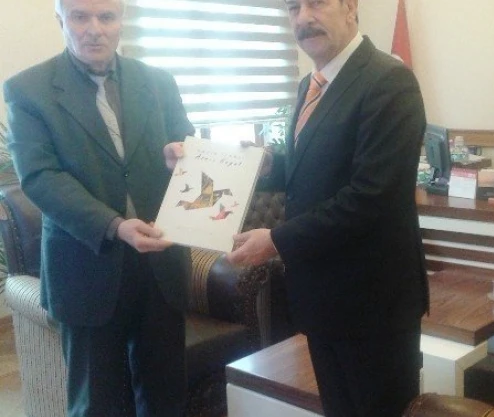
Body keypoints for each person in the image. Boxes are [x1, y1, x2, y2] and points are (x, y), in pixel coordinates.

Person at [225, 0, 429, 415]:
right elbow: (311, 167)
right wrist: (264, 165)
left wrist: (276, 240)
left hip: (374, 305)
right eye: (293, 7)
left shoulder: (389, 81)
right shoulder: (311, 84)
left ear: (350, 7)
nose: (303, 17)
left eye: (316, 2)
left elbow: (370, 197)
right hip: (322, 298)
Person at [4, 0, 193, 415]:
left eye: (106, 16)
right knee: (97, 403)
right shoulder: (28, 89)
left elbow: (185, 145)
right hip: (86, 266)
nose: (95, 28)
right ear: (60, 20)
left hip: (160, 268)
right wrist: (115, 225)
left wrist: (179, 153)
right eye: (80, 16)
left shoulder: (158, 82)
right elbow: (40, 177)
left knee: (166, 399)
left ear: (121, 20)